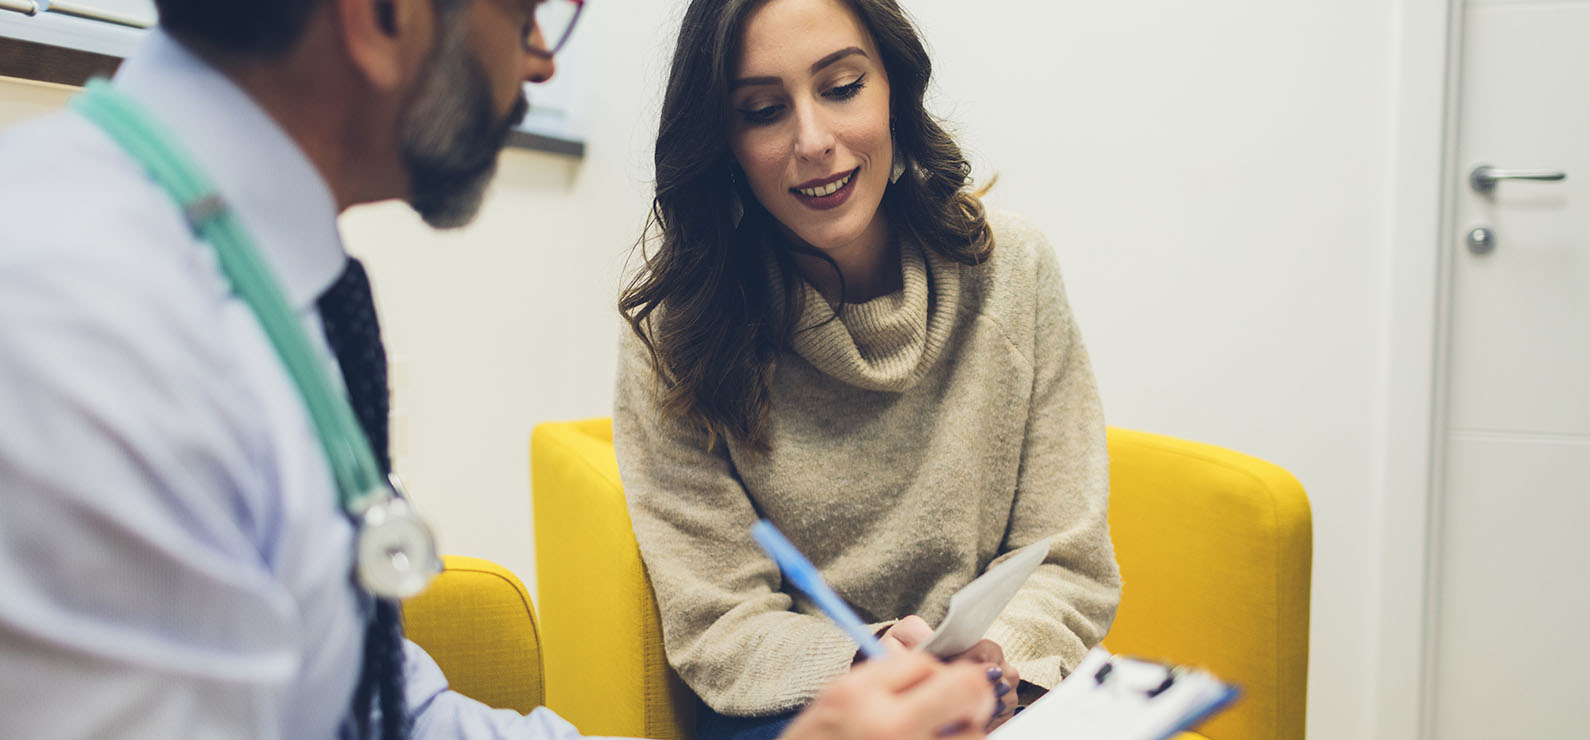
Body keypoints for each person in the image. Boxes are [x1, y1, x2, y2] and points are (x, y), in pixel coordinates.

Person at [0, 1, 999, 739]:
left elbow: (393, 710)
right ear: (379, 17)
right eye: (526, 13)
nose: (540, 63)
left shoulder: (251, 281)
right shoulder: (83, 322)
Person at [613, 1, 1125, 739]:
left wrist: (994, 659)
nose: (813, 141)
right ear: (723, 140)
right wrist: (862, 662)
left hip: (1005, 692)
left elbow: (1069, 557)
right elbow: (720, 620)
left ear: (894, 90)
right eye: (762, 111)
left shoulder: (1014, 272)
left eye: (843, 87)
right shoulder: (677, 332)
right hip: (803, 704)